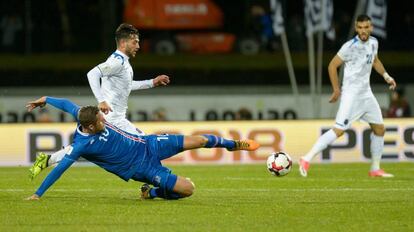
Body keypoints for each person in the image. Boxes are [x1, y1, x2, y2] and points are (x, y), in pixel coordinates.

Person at [25, 96, 260, 200]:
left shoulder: (84, 115)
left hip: (149, 144)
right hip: (142, 169)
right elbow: (59, 170)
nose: (105, 120)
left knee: (199, 140)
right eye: (100, 120)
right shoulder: (80, 146)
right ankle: (151, 192)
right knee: (187, 189)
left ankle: (233, 145)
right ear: (89, 126)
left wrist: (45, 99)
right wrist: (38, 194)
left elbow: (65, 104)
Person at [30, 23, 170, 178]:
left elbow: (126, 86)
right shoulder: (117, 62)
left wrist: (152, 82)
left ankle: (47, 160)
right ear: (123, 43)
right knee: (146, 146)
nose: (138, 45)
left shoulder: (122, 62)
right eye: (135, 42)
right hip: (111, 119)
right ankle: (162, 179)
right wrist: (101, 100)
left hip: (116, 118)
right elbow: (92, 74)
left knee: (89, 149)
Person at [298, 15, 397, 178]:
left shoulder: (374, 42)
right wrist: (336, 90)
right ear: (356, 28)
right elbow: (332, 66)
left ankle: (375, 169)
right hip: (351, 95)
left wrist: (387, 76)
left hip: (366, 94)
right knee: (339, 130)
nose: (363, 31)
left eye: (366, 27)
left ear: (371, 28)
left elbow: (375, 61)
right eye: (360, 28)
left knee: (379, 129)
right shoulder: (349, 47)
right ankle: (306, 158)